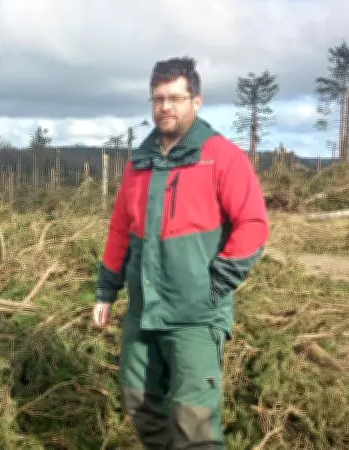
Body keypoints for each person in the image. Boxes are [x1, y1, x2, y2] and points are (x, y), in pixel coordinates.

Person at [93, 56, 269, 449]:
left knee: (195, 426)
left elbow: (254, 225)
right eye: (158, 99)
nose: (165, 107)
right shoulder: (139, 162)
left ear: (197, 101)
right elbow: (121, 228)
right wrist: (107, 290)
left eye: (175, 97)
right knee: (139, 402)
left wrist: (214, 286)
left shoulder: (220, 156)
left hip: (194, 316)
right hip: (143, 312)